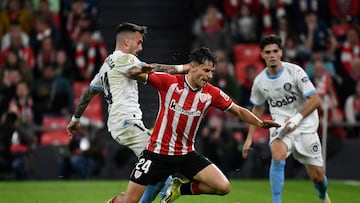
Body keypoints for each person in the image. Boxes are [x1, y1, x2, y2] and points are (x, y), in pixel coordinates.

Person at [121, 47, 280, 203]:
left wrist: (259, 122)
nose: (210, 76)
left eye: (211, 71)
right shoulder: (169, 82)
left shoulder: (212, 93)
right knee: (130, 201)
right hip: (157, 155)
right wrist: (144, 69)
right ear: (193, 67)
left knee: (223, 187)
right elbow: (129, 73)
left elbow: (238, 111)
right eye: (206, 70)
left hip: (186, 156)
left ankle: (179, 189)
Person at [66, 22, 190, 203]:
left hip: (119, 126)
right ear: (126, 42)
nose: (141, 47)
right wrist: (185, 68)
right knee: (162, 160)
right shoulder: (126, 59)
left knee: (159, 167)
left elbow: (88, 92)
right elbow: (137, 69)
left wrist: (76, 118)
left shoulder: (106, 65)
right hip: (127, 124)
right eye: (138, 42)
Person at [242, 34, 331, 203]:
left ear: (281, 52)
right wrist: (249, 138)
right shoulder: (260, 81)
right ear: (262, 54)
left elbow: (315, 100)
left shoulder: (295, 71)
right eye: (268, 52)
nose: (272, 55)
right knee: (277, 153)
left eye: (275, 51)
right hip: (281, 124)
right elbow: (258, 109)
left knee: (318, 177)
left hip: (305, 125)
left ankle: (322, 195)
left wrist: (297, 119)